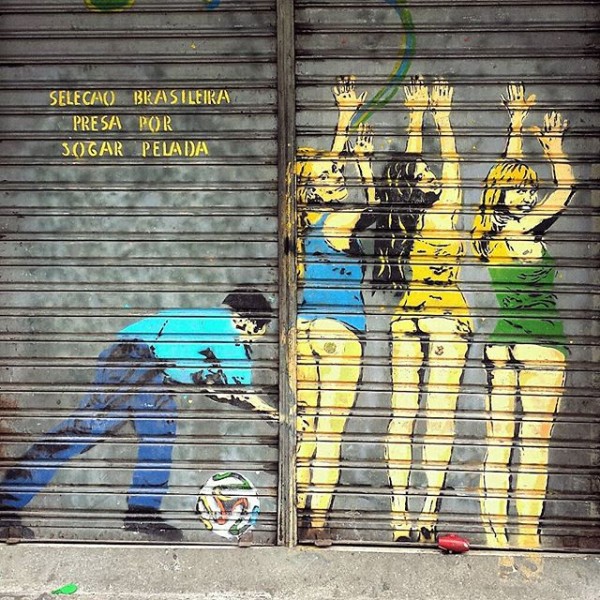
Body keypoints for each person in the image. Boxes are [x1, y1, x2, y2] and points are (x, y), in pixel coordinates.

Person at [0, 290, 276, 541]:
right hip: (135, 360)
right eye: (262, 329)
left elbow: (223, 386)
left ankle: (142, 513)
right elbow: (240, 391)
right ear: (249, 322)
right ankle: (6, 503)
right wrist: (274, 413)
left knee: (157, 434)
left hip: (143, 365)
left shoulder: (204, 321)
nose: (260, 336)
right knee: (84, 431)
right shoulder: (228, 331)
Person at [472, 83, 576, 548]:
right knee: (534, 448)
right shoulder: (524, 227)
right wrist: (553, 148)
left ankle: (496, 542)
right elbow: (566, 187)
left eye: (531, 189)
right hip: (540, 342)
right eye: (522, 190)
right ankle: (527, 541)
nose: (530, 194)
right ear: (506, 195)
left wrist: (515, 125)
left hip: (502, 345)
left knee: (498, 446)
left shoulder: (489, 234)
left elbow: (505, 174)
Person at [375, 76, 472, 542]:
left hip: (407, 317)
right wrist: (442, 119)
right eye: (424, 175)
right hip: (447, 315)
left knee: (403, 415)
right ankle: (427, 514)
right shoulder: (442, 211)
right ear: (417, 185)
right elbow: (453, 169)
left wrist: (416, 118)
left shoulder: (400, 219)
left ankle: (399, 517)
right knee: (438, 416)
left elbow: (411, 169)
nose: (433, 176)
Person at [295, 76, 377, 542]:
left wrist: (344, 118)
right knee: (329, 433)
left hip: (303, 331)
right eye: (328, 178)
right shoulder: (338, 220)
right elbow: (372, 206)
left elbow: (322, 170)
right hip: (339, 334)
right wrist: (363, 165)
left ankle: (292, 514)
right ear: (313, 189)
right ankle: (317, 524)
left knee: (306, 428)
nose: (337, 178)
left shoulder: (301, 220)